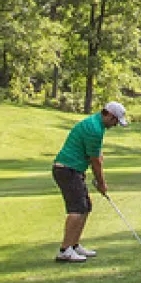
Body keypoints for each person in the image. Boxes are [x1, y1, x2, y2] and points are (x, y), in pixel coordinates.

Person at [52, 101, 127, 263]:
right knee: (77, 209)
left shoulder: (96, 124)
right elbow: (95, 162)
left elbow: (97, 155)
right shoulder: (94, 129)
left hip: (73, 169)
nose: (115, 125)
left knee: (86, 206)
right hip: (67, 169)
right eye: (115, 121)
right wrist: (101, 183)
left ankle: (74, 245)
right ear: (108, 115)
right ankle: (65, 250)